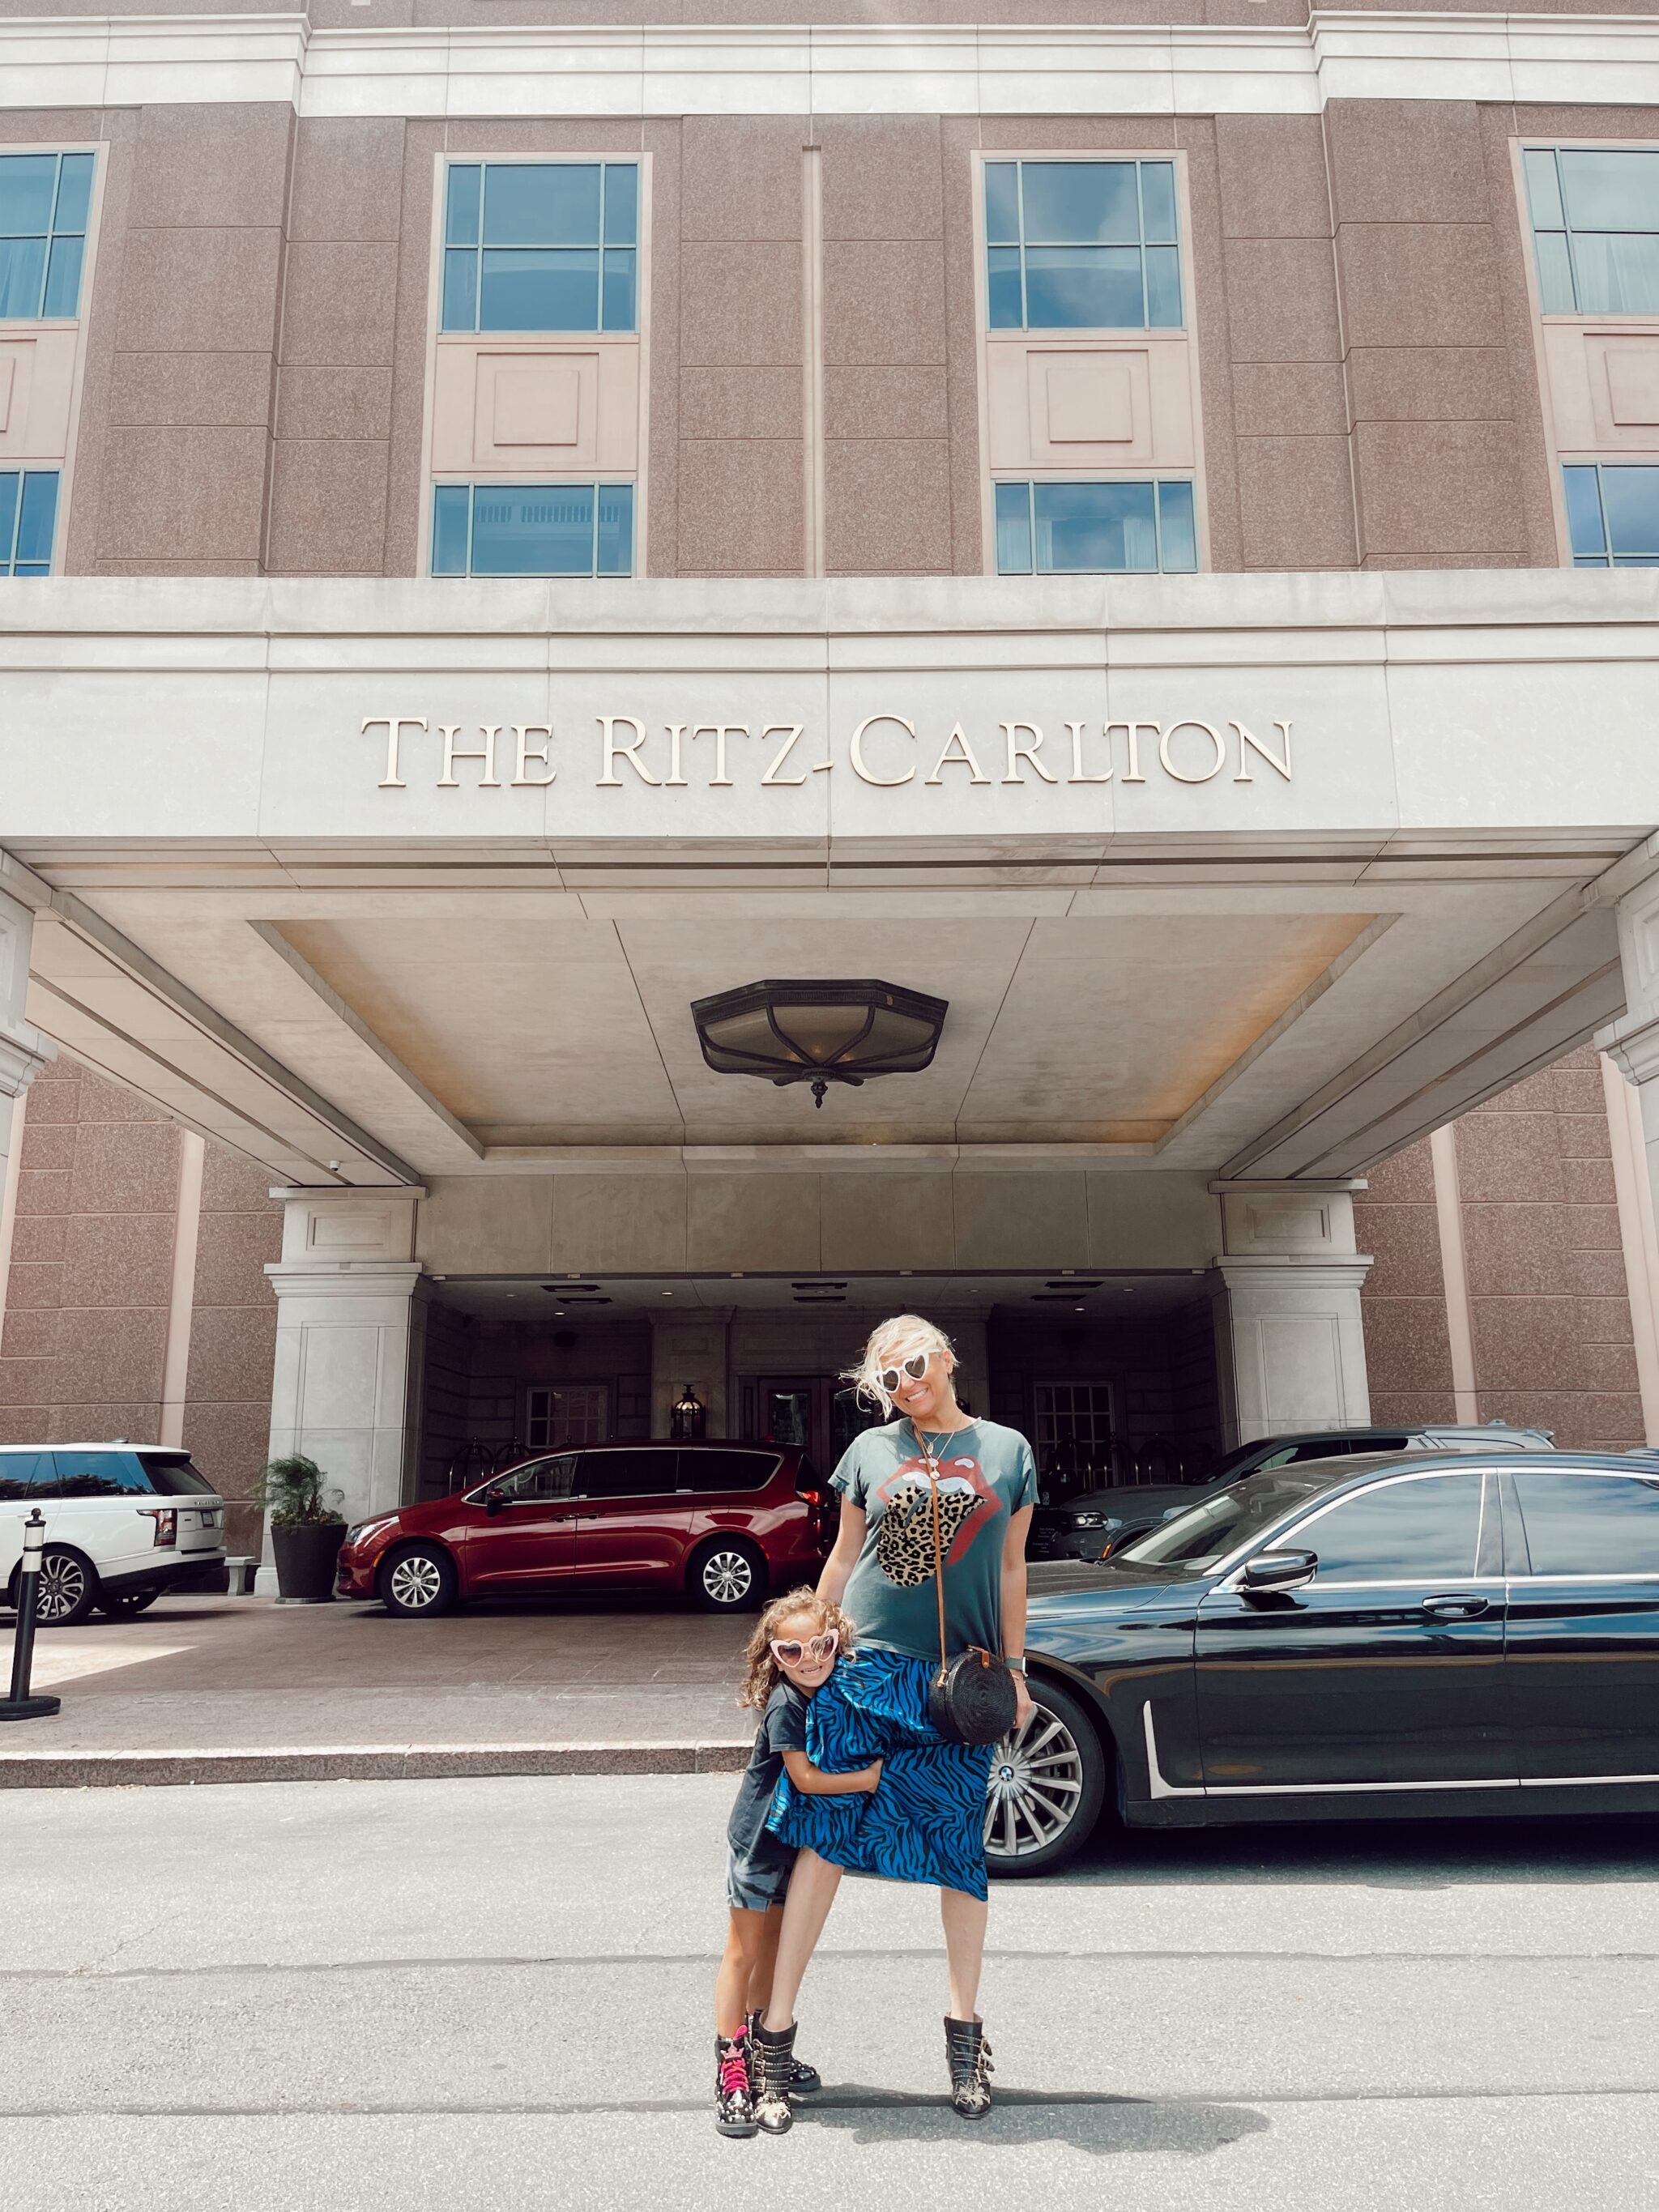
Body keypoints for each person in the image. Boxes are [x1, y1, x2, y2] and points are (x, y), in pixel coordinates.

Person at [752, 1316, 1037, 2129]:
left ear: (946, 1358)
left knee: (956, 1849)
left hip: (958, 1685)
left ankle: (963, 2034)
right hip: (868, 1668)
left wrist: (1016, 1671)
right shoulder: (868, 1454)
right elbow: (842, 1559)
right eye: (886, 1379)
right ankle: (774, 2037)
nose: (904, 1383)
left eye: (913, 1365)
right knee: (826, 1839)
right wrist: (805, 1650)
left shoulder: (1007, 1451)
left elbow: (1012, 1567)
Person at [714, 1586, 881, 2137]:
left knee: (772, 1949)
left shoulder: (829, 1688)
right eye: (793, 1651)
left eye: (822, 1645)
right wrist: (867, 1779)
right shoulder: (787, 1703)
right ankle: (732, 2068)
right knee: (741, 1953)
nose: (810, 1659)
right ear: (775, 1657)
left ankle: (767, 2049)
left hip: (791, 1841)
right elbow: (805, 1777)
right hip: (759, 1841)